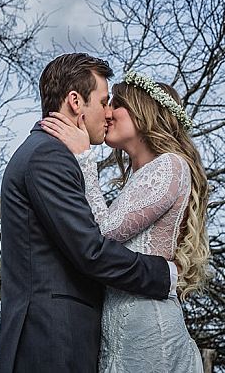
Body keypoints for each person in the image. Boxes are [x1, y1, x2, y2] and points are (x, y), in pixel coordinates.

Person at [0, 54, 177, 373]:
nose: (109, 112)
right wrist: (164, 274)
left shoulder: (48, 152)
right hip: (51, 340)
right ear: (75, 101)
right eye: (104, 101)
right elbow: (90, 250)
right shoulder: (48, 156)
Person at [41, 69, 210, 373]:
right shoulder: (139, 176)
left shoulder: (170, 165)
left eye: (115, 104)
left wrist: (83, 159)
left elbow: (104, 232)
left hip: (149, 331)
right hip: (120, 333)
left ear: (142, 113)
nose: (107, 114)